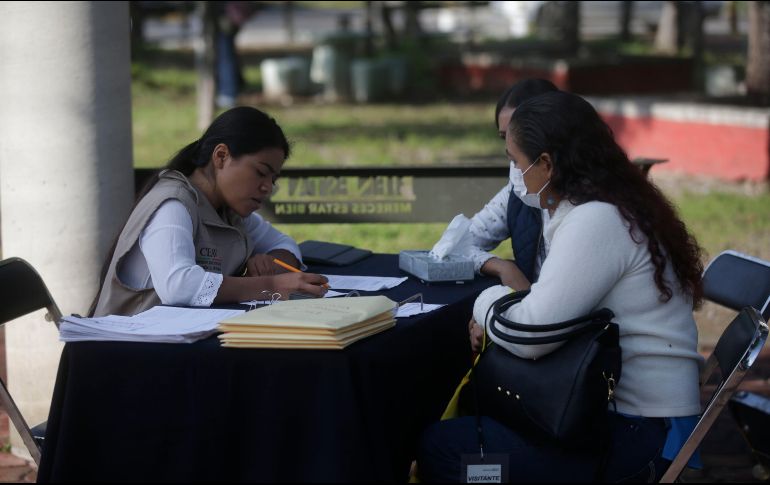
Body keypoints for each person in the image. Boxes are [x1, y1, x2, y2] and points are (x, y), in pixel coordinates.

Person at [417, 91, 705, 482]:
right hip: (623, 418)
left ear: (547, 164)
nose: (515, 174)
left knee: (444, 449)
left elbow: (531, 335)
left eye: (516, 162)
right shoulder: (612, 204)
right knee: (468, 423)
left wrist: (486, 303)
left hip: (635, 437)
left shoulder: (598, 220)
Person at [89, 106, 327, 317]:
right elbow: (178, 286)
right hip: (128, 347)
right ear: (221, 156)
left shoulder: (230, 212)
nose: (267, 187)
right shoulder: (173, 204)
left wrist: (271, 264)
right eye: (260, 173)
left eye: (273, 179)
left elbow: (285, 244)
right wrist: (272, 285)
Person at [467, 79, 558, 292]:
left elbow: (559, 300)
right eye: (504, 137)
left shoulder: (584, 206)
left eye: (520, 135)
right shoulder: (516, 193)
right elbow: (454, 245)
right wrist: (503, 267)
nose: (511, 146)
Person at [214, 1, 258, 109]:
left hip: (227, 14)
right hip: (229, 13)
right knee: (226, 51)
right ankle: (236, 86)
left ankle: (228, 93)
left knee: (225, 53)